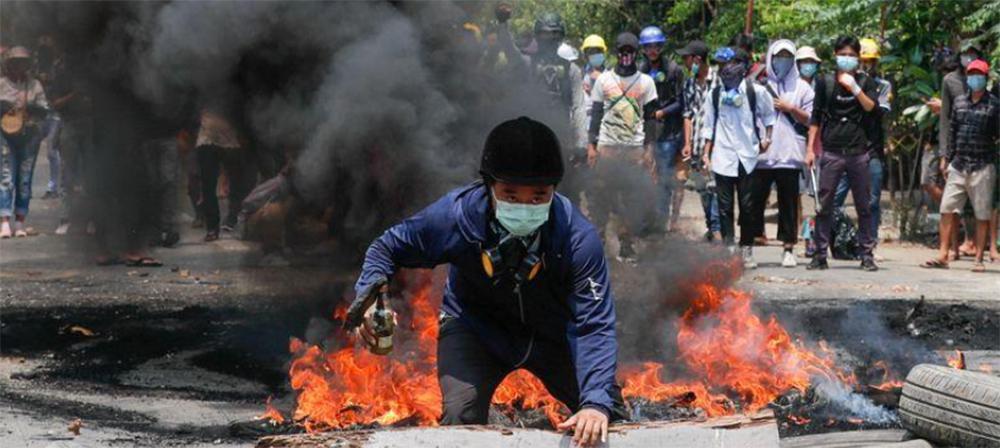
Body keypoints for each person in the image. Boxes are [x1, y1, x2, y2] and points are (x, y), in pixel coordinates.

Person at [345, 117, 625, 447]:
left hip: (552, 336)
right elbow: (387, 247)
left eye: (538, 196)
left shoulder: (578, 238)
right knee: (459, 422)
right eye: (510, 194)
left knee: (609, 418)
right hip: (475, 330)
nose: (525, 206)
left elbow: (593, 325)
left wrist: (594, 402)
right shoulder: (454, 216)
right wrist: (372, 295)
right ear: (489, 186)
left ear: (554, 190)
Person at [805, 36, 880, 271]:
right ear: (836, 56)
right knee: (824, 205)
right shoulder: (825, 82)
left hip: (858, 153)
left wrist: (854, 88)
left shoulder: (866, 82)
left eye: (851, 55)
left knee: (864, 205)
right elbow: (816, 117)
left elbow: (871, 108)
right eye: (843, 54)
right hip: (832, 152)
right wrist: (810, 149)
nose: (847, 59)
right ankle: (819, 254)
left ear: (857, 58)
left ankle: (867, 254)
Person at [700, 47, 775, 268]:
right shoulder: (714, 94)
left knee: (748, 205)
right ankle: (729, 249)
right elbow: (708, 126)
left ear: (741, 69)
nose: (727, 70)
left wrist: (767, 140)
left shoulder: (756, 92)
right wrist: (706, 153)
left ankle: (746, 248)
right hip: (723, 156)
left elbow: (769, 116)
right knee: (724, 206)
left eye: (731, 65)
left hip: (747, 156)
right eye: (723, 66)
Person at [587, 32, 659, 262]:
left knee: (631, 200)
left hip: (633, 150)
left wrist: (649, 150)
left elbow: (650, 119)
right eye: (622, 51)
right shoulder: (603, 80)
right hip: (607, 148)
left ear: (636, 54)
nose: (626, 55)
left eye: (630, 51)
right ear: (616, 53)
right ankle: (597, 243)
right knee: (601, 197)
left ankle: (627, 246)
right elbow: (596, 115)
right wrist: (592, 145)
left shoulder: (646, 82)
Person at [921, 60, 998, 272]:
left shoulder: (994, 105)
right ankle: (943, 254)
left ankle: (979, 259)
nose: (975, 78)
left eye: (979, 75)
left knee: (982, 213)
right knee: (947, 208)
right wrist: (946, 157)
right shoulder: (960, 102)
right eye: (971, 74)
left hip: (983, 164)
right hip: (959, 163)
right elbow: (952, 130)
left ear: (986, 77)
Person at [752, 40, 814, 268]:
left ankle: (788, 248)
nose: (783, 61)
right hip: (761, 155)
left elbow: (812, 119)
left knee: (788, 203)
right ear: (771, 57)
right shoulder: (759, 86)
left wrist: (791, 109)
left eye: (788, 56)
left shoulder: (802, 88)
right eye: (779, 56)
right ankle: (748, 245)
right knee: (755, 202)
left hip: (790, 153)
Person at [831, 38, 892, 255]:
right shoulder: (838, 82)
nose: (867, 66)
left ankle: (869, 243)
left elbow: (878, 111)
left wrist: (859, 90)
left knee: (871, 201)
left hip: (871, 150)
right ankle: (832, 240)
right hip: (845, 149)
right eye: (863, 61)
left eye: (871, 61)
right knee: (833, 199)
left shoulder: (882, 86)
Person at [637, 26, 686, 233]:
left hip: (668, 134)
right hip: (645, 133)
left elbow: (680, 102)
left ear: (662, 46)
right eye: (649, 47)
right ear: (643, 49)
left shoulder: (674, 70)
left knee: (664, 180)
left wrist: (661, 112)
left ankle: (661, 224)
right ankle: (646, 223)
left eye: (656, 46)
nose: (653, 50)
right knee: (645, 177)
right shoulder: (639, 70)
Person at [0, 46, 50, 238]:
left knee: (24, 179)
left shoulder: (34, 85)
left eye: (22, 64)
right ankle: (4, 221)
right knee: (5, 177)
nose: (18, 67)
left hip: (29, 135)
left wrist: (33, 108)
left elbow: (45, 109)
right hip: (4, 135)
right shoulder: (1, 84)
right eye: (15, 63)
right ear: (9, 64)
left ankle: (20, 221)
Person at [678, 39, 721, 242]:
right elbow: (687, 115)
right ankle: (711, 227)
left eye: (686, 58)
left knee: (716, 187)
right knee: (703, 189)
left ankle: (717, 228)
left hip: (716, 144)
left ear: (697, 59)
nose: (685, 62)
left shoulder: (719, 81)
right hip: (695, 143)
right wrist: (687, 143)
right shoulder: (689, 83)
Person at [195, 108, 252, 242]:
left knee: (237, 182)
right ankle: (212, 227)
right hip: (207, 137)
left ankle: (233, 219)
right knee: (208, 185)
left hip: (231, 136)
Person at [795, 46, 822, 255]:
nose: (807, 66)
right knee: (798, 197)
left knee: (816, 199)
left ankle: (812, 239)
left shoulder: (820, 87)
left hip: (817, 148)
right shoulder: (790, 88)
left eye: (811, 62)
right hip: (795, 148)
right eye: (803, 61)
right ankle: (803, 237)